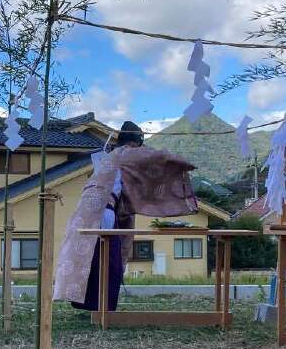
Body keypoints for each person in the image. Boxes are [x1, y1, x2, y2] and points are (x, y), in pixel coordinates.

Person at [54, 120, 198, 311]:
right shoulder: (127, 154)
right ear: (134, 142)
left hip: (87, 210)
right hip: (103, 211)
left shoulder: (111, 156)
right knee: (109, 261)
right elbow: (160, 157)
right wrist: (184, 164)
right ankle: (102, 307)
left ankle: (90, 305)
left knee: (94, 258)